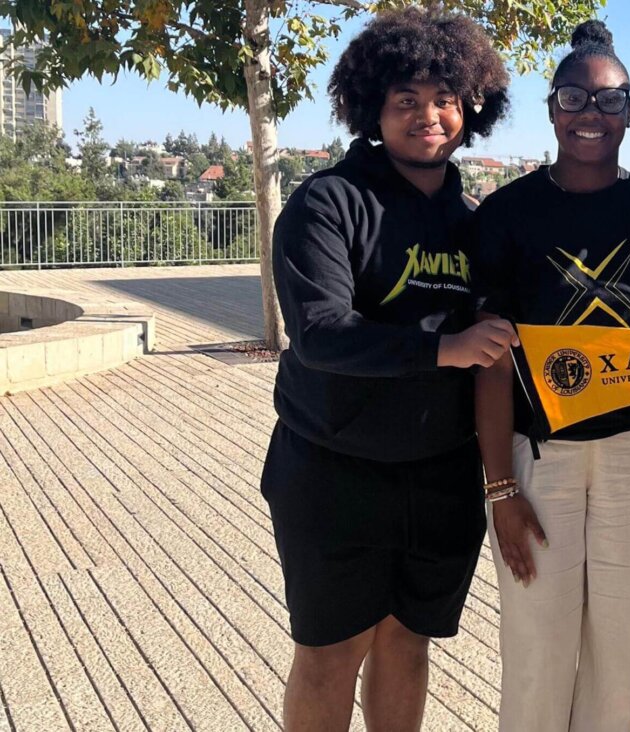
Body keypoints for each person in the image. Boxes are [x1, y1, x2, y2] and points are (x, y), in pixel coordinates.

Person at [259, 10, 515, 731]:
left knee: (408, 643)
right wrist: (444, 349)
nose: (428, 116)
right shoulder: (327, 203)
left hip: (441, 475)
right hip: (333, 472)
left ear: (472, 108)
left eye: (445, 99)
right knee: (331, 652)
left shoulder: (476, 221)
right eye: (407, 100)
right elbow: (319, 335)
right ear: (372, 107)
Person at [472, 20, 630, 732]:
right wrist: (499, 487)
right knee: (535, 642)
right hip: (539, 454)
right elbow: (490, 359)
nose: (591, 114)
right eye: (574, 98)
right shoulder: (506, 213)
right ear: (552, 109)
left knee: (620, 649)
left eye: (609, 101)